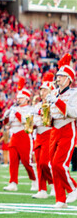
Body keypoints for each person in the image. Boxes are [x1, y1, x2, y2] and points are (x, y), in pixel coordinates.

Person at [47, 54, 77, 208]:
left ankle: (73, 188)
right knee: (52, 164)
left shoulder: (74, 93)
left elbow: (74, 113)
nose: (57, 79)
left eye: (61, 76)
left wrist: (56, 101)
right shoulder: (53, 93)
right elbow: (50, 113)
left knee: (60, 164)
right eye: (57, 76)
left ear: (69, 79)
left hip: (67, 128)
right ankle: (60, 199)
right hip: (54, 130)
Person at [2, 77, 37, 192]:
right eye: (18, 97)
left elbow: (27, 122)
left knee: (26, 161)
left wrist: (15, 112)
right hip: (14, 135)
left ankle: (34, 180)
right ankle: (13, 182)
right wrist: (6, 117)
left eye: (21, 97)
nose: (18, 99)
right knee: (13, 161)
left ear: (27, 98)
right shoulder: (13, 109)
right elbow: (7, 124)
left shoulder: (30, 109)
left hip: (24, 135)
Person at [31, 72, 55, 199]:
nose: (42, 93)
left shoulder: (53, 104)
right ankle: (42, 189)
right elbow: (34, 118)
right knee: (39, 163)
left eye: (45, 90)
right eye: (41, 90)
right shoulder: (37, 105)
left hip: (48, 134)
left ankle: (53, 183)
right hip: (38, 135)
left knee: (45, 163)